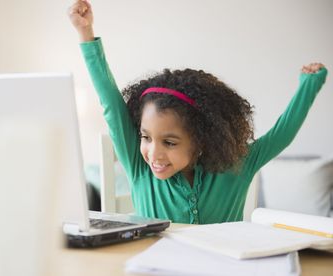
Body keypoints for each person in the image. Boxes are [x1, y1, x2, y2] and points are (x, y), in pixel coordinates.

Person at [68, 0, 328, 224]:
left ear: (202, 139)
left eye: (169, 142)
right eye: (146, 137)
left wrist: (309, 85)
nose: (154, 153)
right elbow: (112, 107)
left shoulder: (238, 165)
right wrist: (86, 34)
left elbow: (282, 133)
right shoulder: (139, 167)